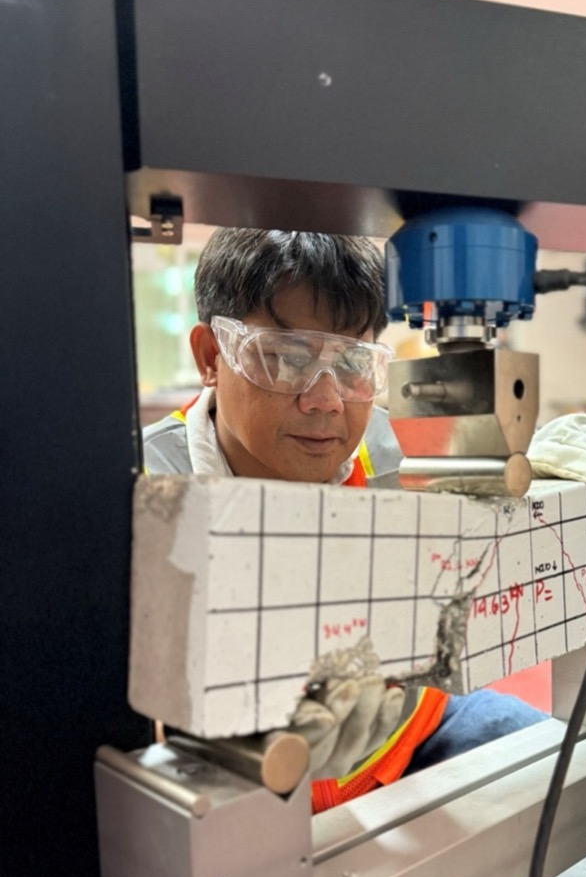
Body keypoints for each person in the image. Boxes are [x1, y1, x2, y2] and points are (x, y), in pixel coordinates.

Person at [143, 228, 549, 810]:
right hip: (255, 788)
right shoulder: (144, 490)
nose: (327, 400)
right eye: (288, 358)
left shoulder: (388, 445)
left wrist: (544, 471)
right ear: (212, 357)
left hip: (421, 729)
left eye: (353, 362)